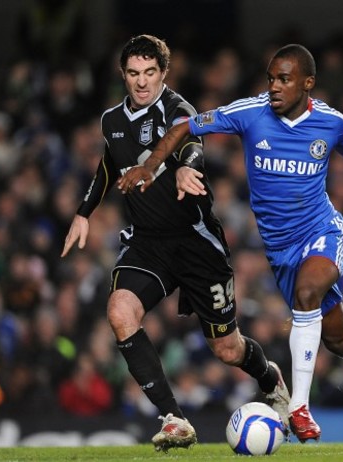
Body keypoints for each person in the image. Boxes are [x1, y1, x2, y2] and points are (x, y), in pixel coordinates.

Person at [119, 43, 343, 442]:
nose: (274, 86)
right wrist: (151, 166)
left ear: (308, 83)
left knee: (308, 293)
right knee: (338, 339)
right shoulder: (249, 112)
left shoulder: (330, 123)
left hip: (324, 231)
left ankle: (299, 407)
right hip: (281, 250)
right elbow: (184, 127)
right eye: (271, 78)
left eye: (284, 79)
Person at [60, 34, 289, 452]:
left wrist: (186, 168)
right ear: (123, 75)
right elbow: (110, 162)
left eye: (150, 73)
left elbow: (192, 144)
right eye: (133, 73)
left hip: (195, 242)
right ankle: (174, 418)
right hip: (148, 243)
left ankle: (269, 377)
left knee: (226, 348)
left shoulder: (176, 109)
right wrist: (83, 211)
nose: (142, 82)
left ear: (164, 73)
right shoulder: (111, 120)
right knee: (119, 311)